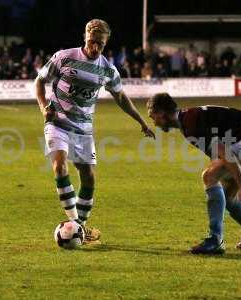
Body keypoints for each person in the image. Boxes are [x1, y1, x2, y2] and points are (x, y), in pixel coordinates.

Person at [35, 19, 155, 244]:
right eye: (92, 41)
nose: (95, 47)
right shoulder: (64, 57)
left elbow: (120, 97)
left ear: (105, 43)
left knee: (88, 179)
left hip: (84, 129)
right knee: (59, 167)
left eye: (100, 44)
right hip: (57, 122)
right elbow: (40, 81)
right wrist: (43, 108)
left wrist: (141, 121)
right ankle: (77, 226)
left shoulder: (108, 69)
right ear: (85, 37)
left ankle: (80, 227)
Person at [147, 93, 241, 255]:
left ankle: (215, 240)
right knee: (227, 197)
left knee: (209, 176)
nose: (154, 122)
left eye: (152, 117)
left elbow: (224, 153)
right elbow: (221, 154)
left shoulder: (190, 123)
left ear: (161, 113)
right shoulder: (188, 119)